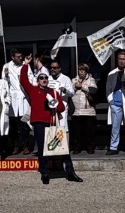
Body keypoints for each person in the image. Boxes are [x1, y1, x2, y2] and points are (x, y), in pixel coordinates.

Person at [20, 56, 83, 184]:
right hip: (39, 123)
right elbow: (23, 80)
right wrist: (26, 65)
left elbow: (61, 108)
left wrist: (54, 103)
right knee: (42, 149)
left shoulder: (54, 92)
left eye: (46, 78)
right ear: (38, 81)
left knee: (63, 149)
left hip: (53, 123)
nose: (44, 80)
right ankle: (44, 173)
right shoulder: (33, 90)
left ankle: (70, 172)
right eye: (41, 78)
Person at [4, 49, 34, 155]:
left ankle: (25, 146)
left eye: (21, 56)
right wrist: (6, 76)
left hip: (23, 96)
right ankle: (16, 146)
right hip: (13, 98)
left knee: (24, 124)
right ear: (13, 57)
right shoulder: (7, 66)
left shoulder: (26, 66)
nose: (20, 58)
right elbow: (4, 83)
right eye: (18, 56)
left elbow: (31, 79)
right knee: (14, 125)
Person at [71, 63, 98, 154]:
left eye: (83, 70)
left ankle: (90, 147)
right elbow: (70, 92)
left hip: (88, 110)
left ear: (86, 71)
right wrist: (75, 86)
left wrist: (82, 86)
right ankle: (77, 147)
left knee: (89, 131)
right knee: (77, 132)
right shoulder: (74, 80)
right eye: (80, 70)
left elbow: (93, 90)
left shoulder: (91, 79)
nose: (81, 72)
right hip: (76, 110)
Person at [48, 60, 76, 131]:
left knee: (62, 129)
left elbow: (72, 93)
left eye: (54, 68)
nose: (52, 69)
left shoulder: (66, 79)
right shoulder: (48, 78)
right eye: (51, 68)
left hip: (61, 108)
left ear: (59, 68)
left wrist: (65, 90)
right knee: (51, 129)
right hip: (50, 108)